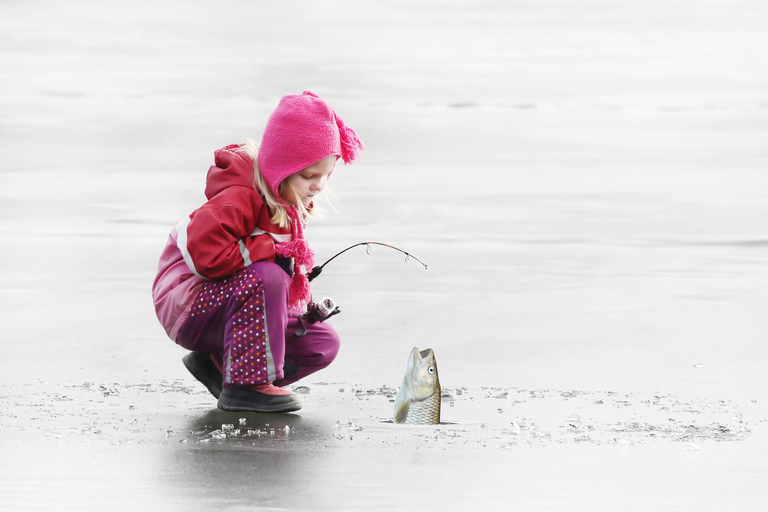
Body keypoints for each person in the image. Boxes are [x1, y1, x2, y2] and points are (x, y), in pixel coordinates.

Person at [152, 91, 364, 413]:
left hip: (231, 303)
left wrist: (304, 311)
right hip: (186, 302)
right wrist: (271, 251)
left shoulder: (289, 204)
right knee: (269, 276)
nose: (318, 185)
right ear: (282, 167)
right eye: (309, 175)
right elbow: (204, 256)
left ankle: (220, 366)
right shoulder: (239, 195)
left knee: (321, 343)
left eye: (325, 175)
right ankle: (245, 387)